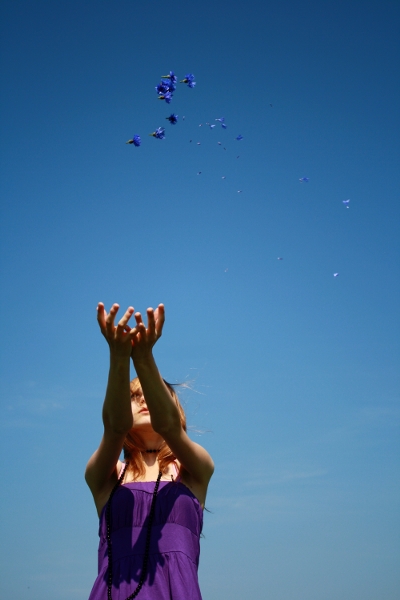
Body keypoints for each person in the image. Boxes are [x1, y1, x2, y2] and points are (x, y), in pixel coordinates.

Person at [85, 302, 214, 600]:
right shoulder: (108, 475)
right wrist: (119, 357)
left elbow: (168, 425)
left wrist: (143, 357)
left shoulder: (194, 470)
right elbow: (115, 427)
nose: (143, 400)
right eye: (133, 395)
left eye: (151, 393)